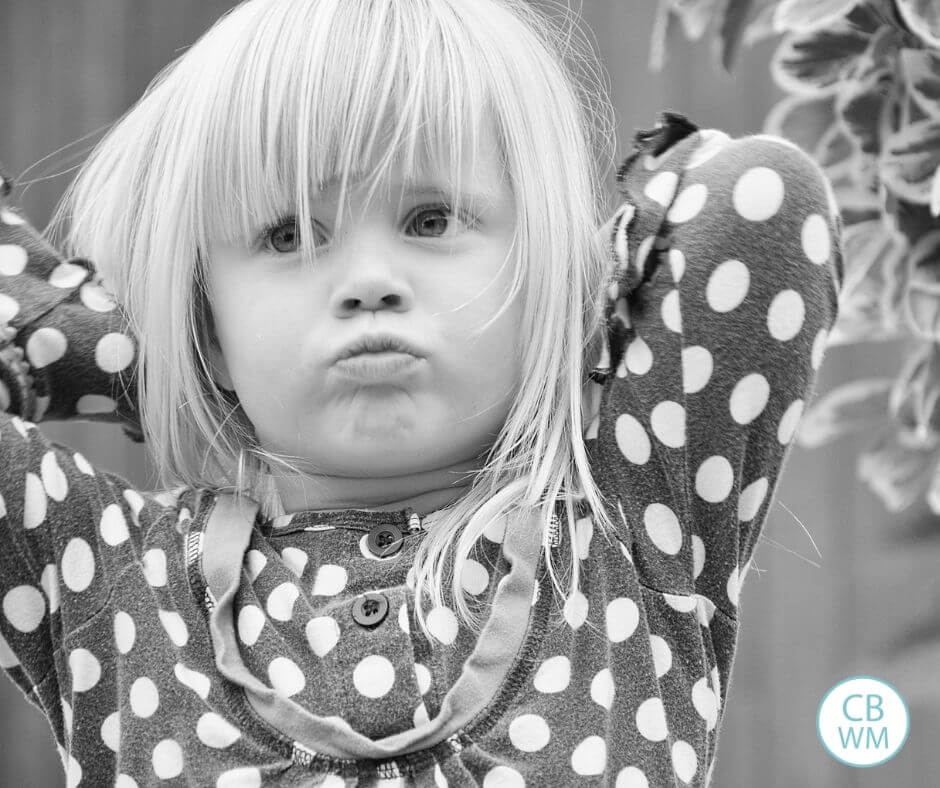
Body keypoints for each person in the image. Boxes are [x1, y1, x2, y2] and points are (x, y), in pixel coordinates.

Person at [0, 0, 844, 785]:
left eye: (431, 219)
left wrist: (564, 322)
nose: (367, 282)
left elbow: (762, 201)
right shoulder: (111, 581)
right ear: (209, 323)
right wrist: (155, 361)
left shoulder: (628, 530)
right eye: (289, 233)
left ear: (539, 272)